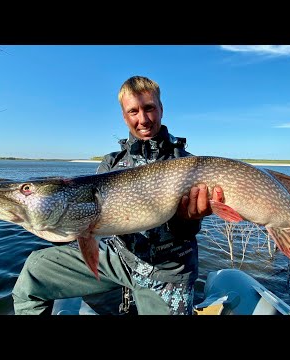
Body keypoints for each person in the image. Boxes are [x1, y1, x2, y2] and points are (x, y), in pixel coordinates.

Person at [12, 75, 223, 315]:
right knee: (33, 272)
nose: (143, 119)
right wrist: (53, 221)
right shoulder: (112, 163)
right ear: (124, 116)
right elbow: (88, 223)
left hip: (168, 269)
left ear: (161, 109)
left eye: (149, 108)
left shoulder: (186, 164)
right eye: (133, 111)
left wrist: (189, 219)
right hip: (120, 258)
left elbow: (185, 234)